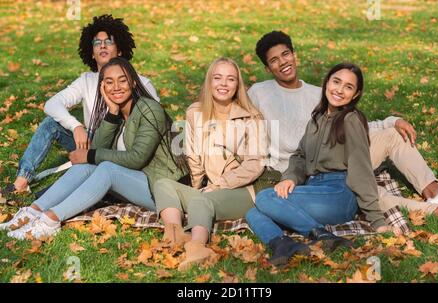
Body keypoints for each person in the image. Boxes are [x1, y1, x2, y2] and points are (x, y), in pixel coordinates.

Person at [247, 31, 438, 218]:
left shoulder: (319, 93)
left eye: (285, 54)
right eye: (274, 60)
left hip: (341, 153)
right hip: (306, 171)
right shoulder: (259, 93)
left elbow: (355, 124)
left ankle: (436, 193)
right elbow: (237, 123)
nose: (283, 62)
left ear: (294, 54)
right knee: (362, 188)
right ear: (267, 68)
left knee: (393, 135)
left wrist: (392, 121)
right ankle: (434, 211)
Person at [1, 57, 184, 239]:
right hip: (140, 182)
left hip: (164, 189)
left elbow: (137, 158)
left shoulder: (150, 109)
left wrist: (91, 155)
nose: (116, 87)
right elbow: (95, 152)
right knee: (89, 165)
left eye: (123, 80)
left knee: (106, 168)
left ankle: (51, 220)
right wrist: (111, 113)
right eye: (109, 82)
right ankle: (33, 211)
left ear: (134, 83)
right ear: (102, 87)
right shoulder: (118, 113)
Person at [247, 63, 391, 266]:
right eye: (336, 82)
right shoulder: (317, 118)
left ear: (355, 94)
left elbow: (361, 169)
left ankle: (322, 236)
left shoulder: (351, 120)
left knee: (264, 197)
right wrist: (290, 178)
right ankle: (284, 245)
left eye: (348, 87)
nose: (340, 90)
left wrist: (377, 220)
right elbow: (300, 156)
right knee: (253, 211)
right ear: (326, 83)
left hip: (338, 195)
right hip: (313, 191)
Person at [1, 14, 159, 194]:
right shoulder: (86, 80)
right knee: (51, 124)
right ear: (92, 53)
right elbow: (52, 104)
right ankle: (21, 181)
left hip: (122, 149)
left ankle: (52, 194)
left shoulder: (141, 83)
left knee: (47, 196)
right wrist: (76, 126)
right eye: (97, 43)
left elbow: (152, 128)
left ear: (120, 50)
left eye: (109, 41)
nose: (103, 46)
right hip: (92, 140)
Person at [153, 57, 266, 271]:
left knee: (201, 202)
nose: (223, 84)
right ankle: (175, 235)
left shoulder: (252, 117)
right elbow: (194, 159)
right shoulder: (195, 112)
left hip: (244, 190)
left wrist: (219, 184)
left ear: (237, 85)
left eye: (230, 79)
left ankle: (198, 248)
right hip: (212, 188)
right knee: (163, 184)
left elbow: (255, 164)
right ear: (209, 82)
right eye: (218, 78)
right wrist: (194, 189)